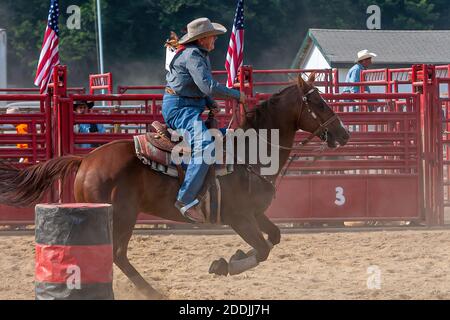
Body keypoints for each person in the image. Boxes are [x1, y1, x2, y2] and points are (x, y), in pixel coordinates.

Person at [162, 17, 246, 223]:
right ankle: (186, 199)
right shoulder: (193, 55)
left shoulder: (196, 54)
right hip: (181, 109)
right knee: (205, 146)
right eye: (212, 37)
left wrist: (209, 102)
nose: (215, 41)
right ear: (202, 39)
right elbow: (207, 85)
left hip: (187, 107)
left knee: (225, 137)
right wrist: (236, 95)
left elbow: (199, 86)